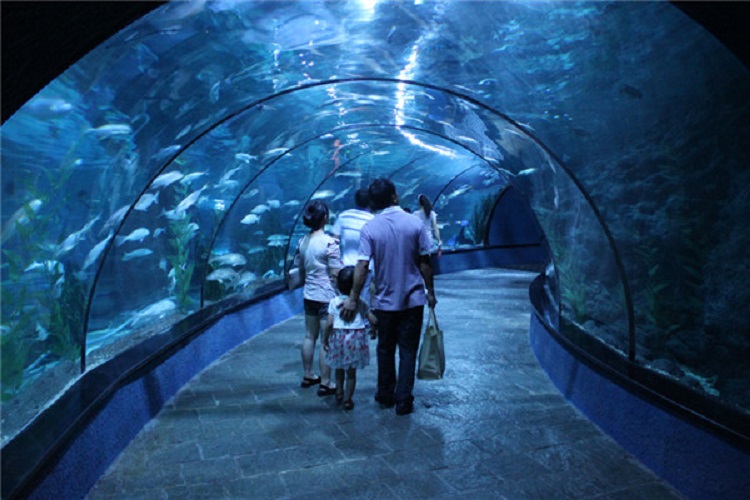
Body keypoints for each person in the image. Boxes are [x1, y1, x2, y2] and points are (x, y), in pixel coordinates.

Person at [341, 178, 437, 416]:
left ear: (374, 202)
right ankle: (404, 399)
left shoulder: (371, 228)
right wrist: (431, 292)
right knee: (408, 350)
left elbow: (362, 266)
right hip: (412, 300)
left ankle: (385, 394)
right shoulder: (415, 223)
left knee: (385, 349)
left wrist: (353, 297)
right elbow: (425, 262)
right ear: (394, 196)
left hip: (384, 301)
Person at [296, 200, 341, 396]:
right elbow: (335, 273)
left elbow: (301, 270)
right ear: (325, 218)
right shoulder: (330, 243)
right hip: (326, 297)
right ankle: (326, 381)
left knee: (309, 336)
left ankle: (308, 374)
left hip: (309, 294)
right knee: (326, 340)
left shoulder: (302, 242)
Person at [322, 266, 378, 410]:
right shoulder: (360, 302)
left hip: (338, 338)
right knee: (351, 373)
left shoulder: (334, 302)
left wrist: (325, 339)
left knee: (338, 368)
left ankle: (339, 392)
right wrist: (374, 330)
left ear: (338, 284)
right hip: (356, 339)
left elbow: (329, 324)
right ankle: (348, 399)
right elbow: (373, 320)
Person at [331, 188, 374, 304]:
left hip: (344, 265)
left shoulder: (343, 216)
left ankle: (343, 320)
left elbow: (334, 241)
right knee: (363, 299)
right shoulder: (372, 220)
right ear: (371, 202)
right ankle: (363, 321)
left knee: (343, 299)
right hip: (365, 267)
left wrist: (334, 264)